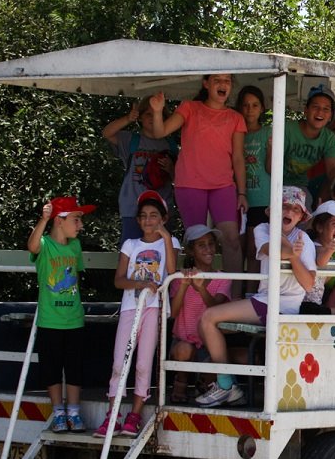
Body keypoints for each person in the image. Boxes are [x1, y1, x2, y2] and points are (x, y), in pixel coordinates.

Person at [195, 186, 318, 406]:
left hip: (283, 306)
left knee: (208, 319)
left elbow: (308, 283)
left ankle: (225, 385)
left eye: (295, 209)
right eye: (284, 206)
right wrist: (292, 253)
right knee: (209, 322)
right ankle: (226, 384)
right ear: (272, 212)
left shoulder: (304, 239)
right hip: (265, 301)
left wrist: (294, 259)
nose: (288, 212)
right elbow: (271, 250)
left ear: (300, 217)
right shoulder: (263, 228)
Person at [98, 190, 179, 437]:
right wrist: (142, 284)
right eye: (143, 215)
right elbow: (119, 280)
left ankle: (134, 414)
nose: (148, 220)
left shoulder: (171, 243)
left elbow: (173, 273)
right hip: (130, 307)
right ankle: (113, 414)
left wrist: (165, 238)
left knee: (144, 363)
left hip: (154, 308)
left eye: (154, 215)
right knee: (119, 361)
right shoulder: (130, 245)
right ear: (137, 220)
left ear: (163, 219)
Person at [148, 74, 246, 274]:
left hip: (223, 185)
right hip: (190, 184)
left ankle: (233, 296)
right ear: (206, 84)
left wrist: (242, 193)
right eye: (217, 80)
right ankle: (196, 295)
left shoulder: (235, 117)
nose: (223, 84)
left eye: (227, 81)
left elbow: (238, 158)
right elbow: (160, 132)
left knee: (232, 240)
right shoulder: (190, 107)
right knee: (197, 242)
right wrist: (158, 112)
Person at [27, 196, 95, 433]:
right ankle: (58, 413)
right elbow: (33, 247)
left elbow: (75, 278)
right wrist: (43, 219)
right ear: (60, 221)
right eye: (76, 219)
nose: (80, 225)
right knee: (52, 367)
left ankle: (74, 412)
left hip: (74, 319)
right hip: (50, 320)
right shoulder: (45, 244)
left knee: (74, 366)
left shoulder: (75, 246)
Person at [168, 225, 231, 403]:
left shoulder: (223, 277)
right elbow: (173, 312)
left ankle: (204, 385)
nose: (208, 249)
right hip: (183, 341)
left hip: (208, 345)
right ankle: (180, 382)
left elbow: (215, 309)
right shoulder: (179, 278)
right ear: (191, 251)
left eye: (211, 244)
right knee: (184, 349)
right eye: (201, 245)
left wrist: (201, 288)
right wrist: (185, 285)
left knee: (216, 361)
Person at [101, 96, 177, 243]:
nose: (153, 117)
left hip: (162, 212)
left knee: (161, 257)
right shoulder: (131, 140)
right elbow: (107, 133)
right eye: (148, 113)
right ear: (140, 117)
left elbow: (179, 180)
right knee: (130, 255)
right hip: (132, 210)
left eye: (158, 113)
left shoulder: (170, 145)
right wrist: (128, 118)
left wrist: (171, 169)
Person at [279, 83, 335, 202]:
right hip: (275, 183)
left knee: (306, 207)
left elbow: (332, 176)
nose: (320, 112)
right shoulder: (287, 129)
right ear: (306, 111)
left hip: (299, 187)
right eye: (315, 107)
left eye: (326, 109)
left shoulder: (329, 139)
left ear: (330, 116)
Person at [238, 84, 272, 276]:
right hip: (237, 197)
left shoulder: (267, 132)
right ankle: (236, 293)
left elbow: (270, 168)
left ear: (262, 108)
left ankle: (250, 294)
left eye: (255, 105)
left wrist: (271, 149)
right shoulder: (234, 132)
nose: (250, 110)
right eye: (245, 105)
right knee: (237, 249)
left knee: (254, 251)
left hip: (261, 199)